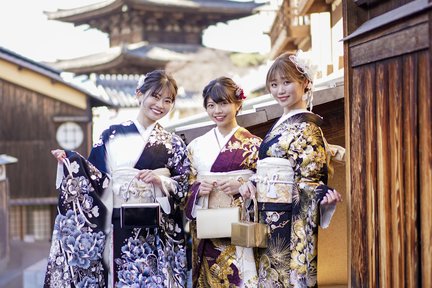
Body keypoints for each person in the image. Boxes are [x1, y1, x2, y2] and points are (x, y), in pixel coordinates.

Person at [44, 70, 191, 288]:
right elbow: (97, 179)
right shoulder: (111, 135)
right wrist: (72, 162)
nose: (160, 104)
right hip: (120, 229)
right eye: (155, 96)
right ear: (139, 94)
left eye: (167, 100)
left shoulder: (174, 143)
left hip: (158, 231)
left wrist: (162, 182)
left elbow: (185, 184)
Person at [239, 51, 343, 287]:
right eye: (274, 84)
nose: (280, 90)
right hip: (268, 218)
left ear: (305, 82)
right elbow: (267, 171)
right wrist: (253, 184)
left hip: (287, 222)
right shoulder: (282, 124)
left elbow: (310, 180)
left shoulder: (308, 128)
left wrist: (319, 196)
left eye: (287, 82)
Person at [184, 77, 262, 287]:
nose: (217, 110)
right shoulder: (196, 146)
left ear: (238, 104)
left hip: (240, 225)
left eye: (223, 103)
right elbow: (185, 183)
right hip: (208, 227)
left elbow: (265, 180)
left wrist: (245, 186)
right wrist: (197, 189)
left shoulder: (255, 145)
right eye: (211, 105)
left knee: (242, 275)